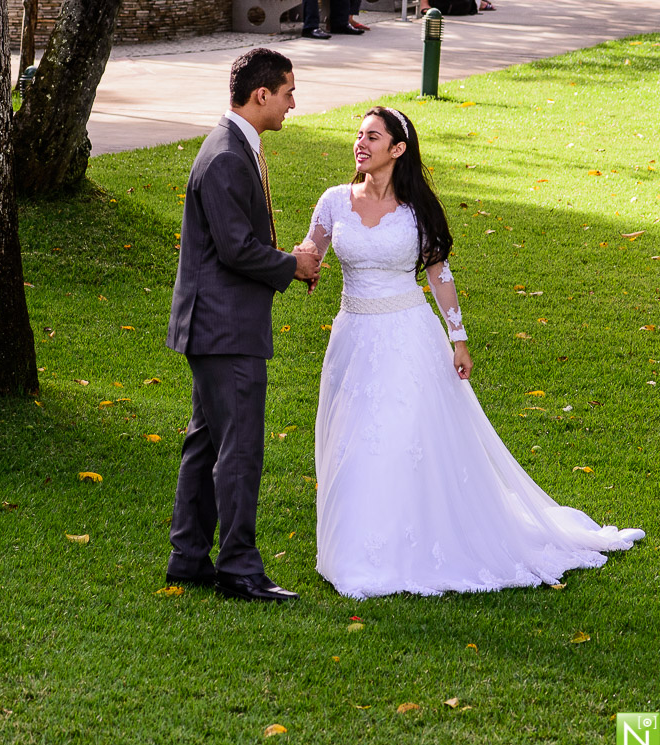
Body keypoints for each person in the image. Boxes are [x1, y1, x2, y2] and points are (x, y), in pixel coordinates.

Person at [296, 107, 644, 599]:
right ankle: (352, 551)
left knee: (396, 437)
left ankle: (399, 550)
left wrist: (458, 338)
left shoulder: (418, 210)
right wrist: (299, 264)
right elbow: (312, 248)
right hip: (353, 338)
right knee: (353, 438)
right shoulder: (333, 201)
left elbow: (439, 275)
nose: (361, 144)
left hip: (406, 335)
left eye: (373, 137)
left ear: (397, 149)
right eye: (358, 135)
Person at [165, 48, 323, 602]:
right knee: (239, 449)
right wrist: (293, 265)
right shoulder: (229, 155)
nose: (292, 103)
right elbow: (235, 249)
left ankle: (188, 556)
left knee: (207, 444)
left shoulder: (233, 147)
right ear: (262, 95)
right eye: (288, 92)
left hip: (215, 325)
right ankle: (237, 566)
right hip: (224, 328)